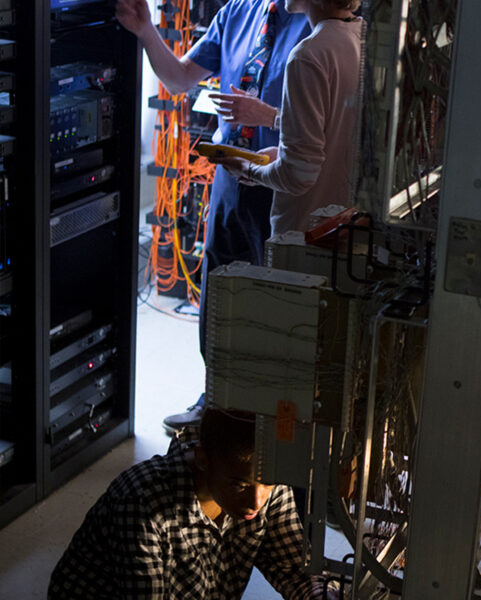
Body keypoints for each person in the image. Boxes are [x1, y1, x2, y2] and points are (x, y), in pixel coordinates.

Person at [115, 0, 312, 430]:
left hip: (282, 190)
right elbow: (179, 77)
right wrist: (146, 31)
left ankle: (270, 422)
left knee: (276, 311)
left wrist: (265, 115)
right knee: (219, 300)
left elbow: (334, 125)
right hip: (230, 182)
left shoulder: (323, 21)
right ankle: (218, 406)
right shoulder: (239, 12)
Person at [48, 407, 335, 599]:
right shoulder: (143, 507)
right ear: (202, 461)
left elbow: (294, 572)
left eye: (268, 484)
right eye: (239, 485)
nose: (256, 501)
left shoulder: (267, 483)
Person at [209, 0, 362, 236]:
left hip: (302, 234)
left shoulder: (307, 56)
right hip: (342, 226)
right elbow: (335, 134)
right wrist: (282, 154)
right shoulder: (361, 38)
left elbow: (297, 176)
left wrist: (247, 169)